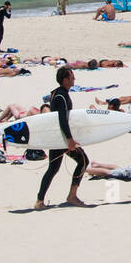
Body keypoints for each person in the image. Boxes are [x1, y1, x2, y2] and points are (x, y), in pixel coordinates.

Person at [35, 67, 88, 209]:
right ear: (65, 80)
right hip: (62, 139)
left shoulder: (58, 94)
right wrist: (70, 139)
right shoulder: (61, 96)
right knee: (83, 161)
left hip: (57, 138)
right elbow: (62, 119)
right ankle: (72, 196)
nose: (74, 79)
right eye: (72, 77)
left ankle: (39, 201)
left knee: (53, 169)